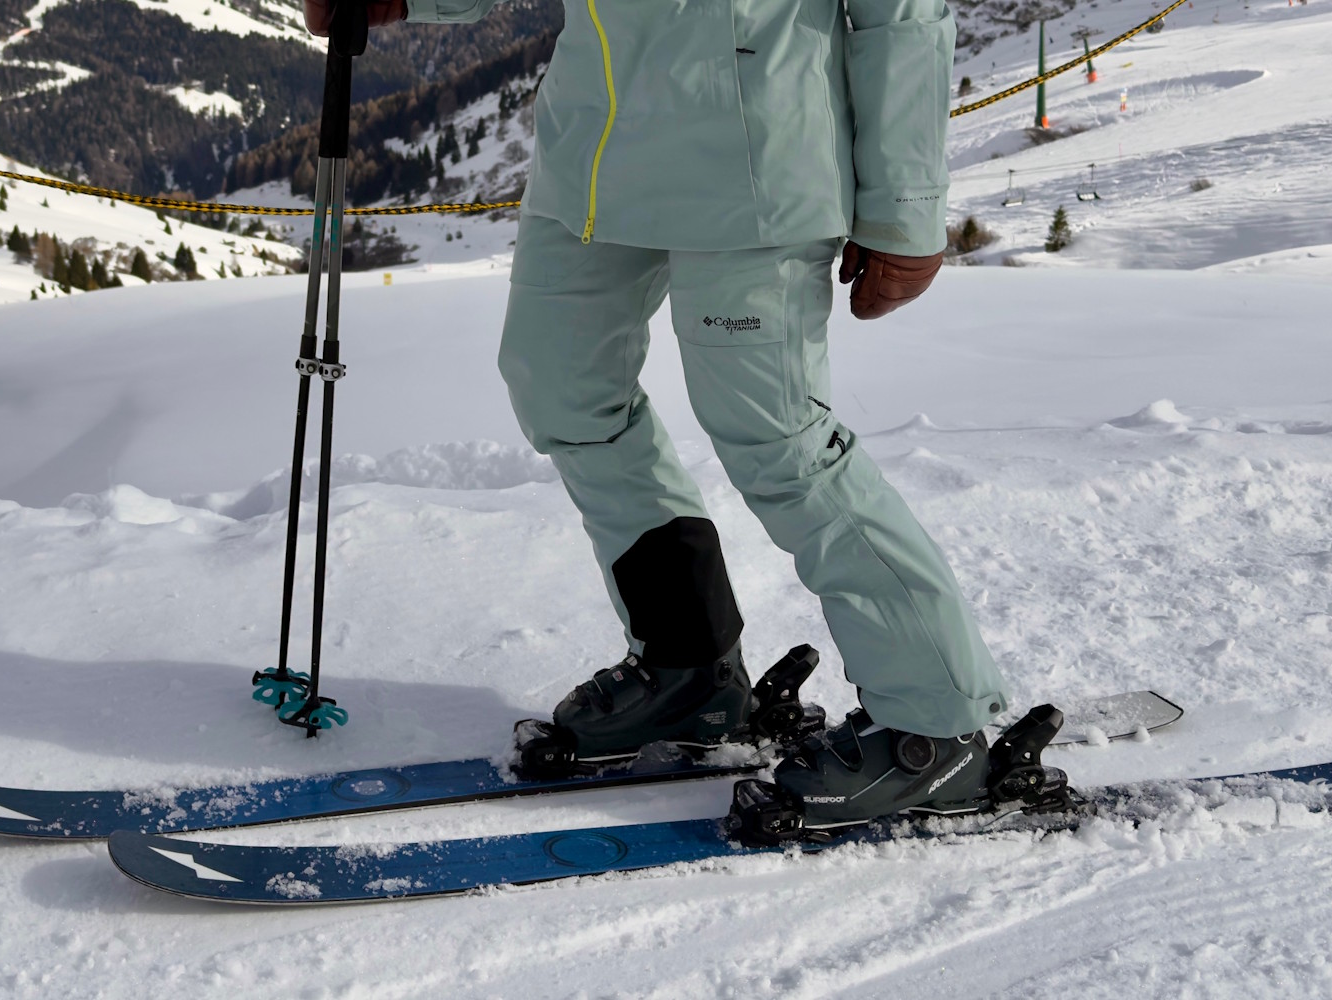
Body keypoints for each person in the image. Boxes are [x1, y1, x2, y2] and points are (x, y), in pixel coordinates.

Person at [305, 0, 1010, 827]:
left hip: (755, 157)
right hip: (596, 159)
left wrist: (904, 207)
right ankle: (688, 669)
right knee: (561, 389)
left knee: (777, 435)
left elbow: (904, 13)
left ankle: (937, 725)